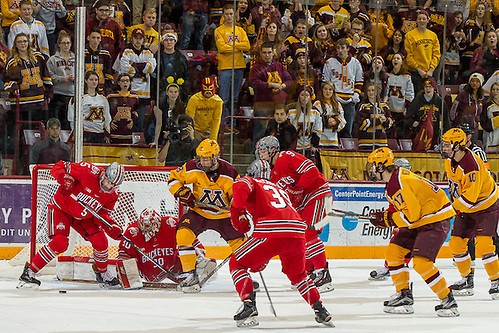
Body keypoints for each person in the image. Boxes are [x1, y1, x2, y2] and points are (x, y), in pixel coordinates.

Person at [229, 159, 334, 328]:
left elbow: (240, 186)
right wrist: (261, 258)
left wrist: (239, 211)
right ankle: (320, 309)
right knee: (299, 276)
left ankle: (248, 304)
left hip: (272, 231)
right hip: (297, 234)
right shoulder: (279, 189)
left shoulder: (251, 180)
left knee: (237, 263)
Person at [366, 147, 459, 317]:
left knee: (422, 263)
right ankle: (404, 295)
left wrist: (389, 220)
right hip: (423, 219)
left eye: (373, 166)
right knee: (394, 252)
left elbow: (412, 215)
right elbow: (410, 212)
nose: (371, 170)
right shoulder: (395, 179)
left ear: (381, 167)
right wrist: (388, 217)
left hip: (435, 219)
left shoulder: (397, 182)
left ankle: (448, 300)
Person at [18, 161, 125, 289]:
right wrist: (64, 179)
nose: (108, 186)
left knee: (101, 241)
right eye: (108, 182)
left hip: (84, 217)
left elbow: (101, 215)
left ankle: (103, 274)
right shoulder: (88, 171)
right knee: (60, 243)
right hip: (62, 208)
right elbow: (59, 167)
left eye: (112, 185)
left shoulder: (113, 194)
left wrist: (110, 225)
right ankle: (29, 272)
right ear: (104, 174)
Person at [255, 136, 334, 292]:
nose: (260, 155)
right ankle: (310, 272)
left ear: (273, 150)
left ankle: (323, 274)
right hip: (305, 201)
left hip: (318, 193)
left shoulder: (287, 156)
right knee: (299, 235)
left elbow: (311, 170)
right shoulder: (272, 175)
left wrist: (299, 186)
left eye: (263, 151)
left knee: (308, 232)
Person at [167, 139, 244, 293]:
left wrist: (238, 211)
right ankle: (190, 274)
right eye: (200, 158)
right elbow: (173, 178)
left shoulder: (230, 172)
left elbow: (238, 195)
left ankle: (244, 276)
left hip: (223, 216)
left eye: (206, 158)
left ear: (215, 157)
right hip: (199, 212)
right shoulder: (192, 167)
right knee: (183, 235)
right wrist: (181, 192)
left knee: (241, 245)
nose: (202, 162)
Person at [440, 128, 499, 300]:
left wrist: (448, 211)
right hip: (466, 206)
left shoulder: (472, 165)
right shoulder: (450, 159)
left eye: (447, 145)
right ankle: (467, 279)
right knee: (456, 243)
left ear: (457, 145)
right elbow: (456, 186)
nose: (444, 148)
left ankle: (496, 281)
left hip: (485, 205)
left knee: (484, 244)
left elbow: (470, 199)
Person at [117, 207, 215, 284]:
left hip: (173, 269)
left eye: (147, 226)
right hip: (147, 273)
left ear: (156, 224)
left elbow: (188, 236)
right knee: (127, 263)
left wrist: (199, 254)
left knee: (188, 255)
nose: (143, 229)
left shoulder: (171, 224)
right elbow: (123, 252)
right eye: (141, 225)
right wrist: (126, 270)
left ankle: (198, 270)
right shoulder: (133, 232)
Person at [368, 157, 412, 281]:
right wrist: (385, 217)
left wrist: (391, 219)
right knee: (396, 242)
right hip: (405, 218)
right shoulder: (390, 185)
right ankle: (391, 268)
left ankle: (398, 272)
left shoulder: (404, 183)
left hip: (415, 219)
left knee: (403, 245)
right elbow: (393, 206)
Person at [215, 4, 250, 134]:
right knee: (224, 98)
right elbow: (222, 48)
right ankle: (224, 124)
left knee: (234, 99)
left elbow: (247, 46)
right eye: (227, 14)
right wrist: (238, 46)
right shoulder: (219, 30)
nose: (229, 16)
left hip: (239, 67)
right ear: (223, 14)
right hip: (225, 68)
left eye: (231, 14)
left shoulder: (240, 30)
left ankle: (233, 124)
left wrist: (232, 44)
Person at [249, 42, 292, 146]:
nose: (267, 55)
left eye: (269, 52)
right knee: (260, 132)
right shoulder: (256, 67)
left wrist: (282, 86)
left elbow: (289, 80)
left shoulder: (279, 66)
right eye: (264, 52)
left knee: (280, 131)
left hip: (279, 104)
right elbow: (253, 82)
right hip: (262, 104)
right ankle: (256, 154)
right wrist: (271, 85)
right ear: (260, 53)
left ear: (273, 53)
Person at [3, 32, 53, 122]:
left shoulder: (38, 58)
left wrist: (49, 92)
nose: (23, 43)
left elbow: (46, 76)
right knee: (23, 130)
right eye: (20, 42)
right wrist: (13, 87)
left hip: (39, 101)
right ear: (15, 45)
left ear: (28, 43)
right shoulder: (12, 62)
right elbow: (6, 80)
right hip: (22, 104)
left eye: (25, 41)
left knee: (39, 128)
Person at [323, 38, 363, 138]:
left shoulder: (356, 63)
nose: (340, 51)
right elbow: (325, 82)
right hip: (334, 100)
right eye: (338, 48)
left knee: (347, 130)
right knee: (334, 127)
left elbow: (360, 80)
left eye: (343, 48)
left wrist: (356, 94)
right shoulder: (329, 62)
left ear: (348, 49)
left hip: (350, 100)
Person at [119, 27, 156, 132]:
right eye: (136, 38)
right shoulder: (126, 51)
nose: (138, 40)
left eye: (140, 38)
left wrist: (134, 65)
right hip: (129, 92)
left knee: (139, 123)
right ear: (132, 39)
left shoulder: (148, 53)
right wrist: (143, 67)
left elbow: (151, 68)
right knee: (127, 121)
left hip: (144, 94)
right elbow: (125, 68)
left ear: (143, 40)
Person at [67, 70, 111, 144]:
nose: (94, 82)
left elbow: (107, 117)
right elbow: (72, 118)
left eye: (96, 80)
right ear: (85, 81)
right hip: (85, 133)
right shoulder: (78, 98)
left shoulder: (103, 98)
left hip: (100, 133)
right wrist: (76, 132)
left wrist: (107, 134)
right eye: (91, 79)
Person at [404, 10, 440, 93]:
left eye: (424, 19)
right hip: (415, 73)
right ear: (416, 20)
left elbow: (436, 54)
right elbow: (408, 55)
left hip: (429, 73)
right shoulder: (409, 35)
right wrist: (419, 70)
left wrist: (431, 69)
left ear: (428, 20)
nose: (421, 21)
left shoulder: (433, 36)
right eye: (419, 19)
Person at [408, 77, 450, 148]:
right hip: (420, 133)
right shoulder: (418, 99)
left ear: (434, 88)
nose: (428, 89)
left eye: (430, 87)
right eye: (426, 87)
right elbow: (409, 115)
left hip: (434, 133)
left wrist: (446, 133)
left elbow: (446, 118)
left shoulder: (439, 101)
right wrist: (412, 123)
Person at [47, 30, 74, 130]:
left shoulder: (76, 58)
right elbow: (49, 77)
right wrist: (63, 79)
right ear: (59, 44)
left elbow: (83, 75)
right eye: (63, 43)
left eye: (68, 43)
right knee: (57, 123)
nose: (66, 45)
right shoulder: (52, 60)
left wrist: (75, 78)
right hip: (57, 95)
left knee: (68, 123)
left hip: (72, 95)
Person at [385, 52, 415, 139]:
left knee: (400, 133)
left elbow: (410, 93)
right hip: (389, 109)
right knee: (388, 133)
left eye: (398, 58)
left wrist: (407, 107)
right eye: (394, 58)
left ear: (402, 62)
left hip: (401, 110)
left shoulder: (407, 77)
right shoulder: (387, 76)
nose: (395, 60)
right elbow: (384, 91)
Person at [356, 81, 393, 149]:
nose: (371, 92)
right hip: (366, 142)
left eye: (373, 90)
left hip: (381, 142)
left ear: (376, 92)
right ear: (366, 93)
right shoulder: (362, 106)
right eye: (369, 90)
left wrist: (385, 121)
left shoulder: (384, 106)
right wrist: (377, 121)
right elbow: (361, 124)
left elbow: (391, 122)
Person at [185, 77, 223, 142]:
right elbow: (189, 118)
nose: (208, 91)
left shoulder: (218, 101)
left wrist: (213, 139)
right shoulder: (194, 99)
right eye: (206, 88)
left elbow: (217, 121)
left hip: (210, 130)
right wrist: (190, 134)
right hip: (196, 130)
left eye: (210, 88)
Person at [157, 29, 189, 103]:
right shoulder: (157, 57)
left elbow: (186, 77)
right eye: (166, 40)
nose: (169, 42)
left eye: (171, 40)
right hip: (162, 90)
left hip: (177, 90)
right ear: (162, 42)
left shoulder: (181, 58)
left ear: (175, 41)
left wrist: (185, 94)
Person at [450, 72, 485, 139]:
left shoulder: (481, 97)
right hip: (461, 128)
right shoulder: (462, 95)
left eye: (477, 81)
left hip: (474, 129)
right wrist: (456, 122)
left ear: (481, 83)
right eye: (473, 81)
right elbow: (453, 109)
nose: (474, 83)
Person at [288, 86, 322, 153]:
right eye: (302, 95)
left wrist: (314, 145)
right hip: (293, 148)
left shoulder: (315, 112)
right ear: (298, 96)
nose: (304, 97)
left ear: (310, 97)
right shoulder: (291, 111)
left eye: (307, 95)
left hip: (308, 147)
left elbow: (317, 130)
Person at [107, 73, 139, 144]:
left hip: (128, 132)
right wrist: (109, 122)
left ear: (130, 82)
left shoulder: (134, 97)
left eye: (127, 81)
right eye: (123, 81)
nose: (125, 83)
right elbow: (106, 112)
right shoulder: (111, 96)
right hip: (114, 132)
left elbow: (136, 111)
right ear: (118, 83)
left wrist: (133, 121)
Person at [315, 81, 345, 149]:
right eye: (325, 89)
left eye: (330, 89)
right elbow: (314, 121)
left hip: (333, 141)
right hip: (320, 141)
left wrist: (336, 121)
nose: (328, 91)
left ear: (333, 91)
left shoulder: (337, 105)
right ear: (322, 90)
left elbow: (343, 121)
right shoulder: (317, 104)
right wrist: (325, 121)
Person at [85, 27, 114, 95]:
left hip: (101, 90)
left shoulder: (105, 54)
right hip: (85, 90)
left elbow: (108, 73)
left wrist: (106, 89)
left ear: (100, 39)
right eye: (93, 37)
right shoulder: (83, 53)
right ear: (88, 38)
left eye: (98, 38)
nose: (95, 40)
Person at [481, 81, 499, 152]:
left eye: (497, 89)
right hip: (491, 138)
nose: (495, 91)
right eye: (493, 89)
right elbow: (484, 123)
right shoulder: (487, 106)